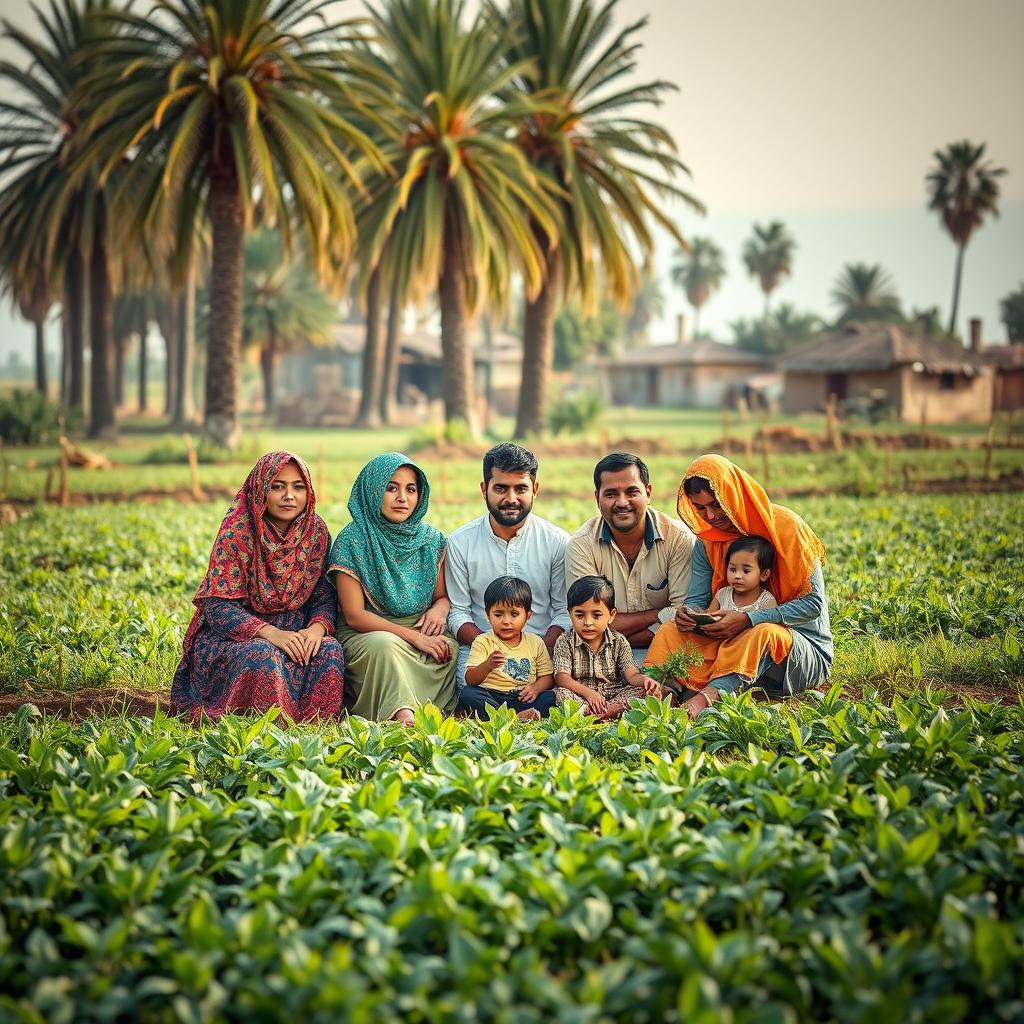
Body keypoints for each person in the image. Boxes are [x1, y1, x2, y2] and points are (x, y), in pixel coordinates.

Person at [644, 454, 832, 717]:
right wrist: (690, 614)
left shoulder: (788, 529)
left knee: (762, 631)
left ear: (733, 494)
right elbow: (697, 598)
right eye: (700, 509)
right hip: (727, 643)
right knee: (671, 629)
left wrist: (748, 619)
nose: (710, 516)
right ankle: (660, 691)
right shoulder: (708, 540)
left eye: (716, 505)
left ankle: (703, 699)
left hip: (797, 656)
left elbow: (813, 605)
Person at [169, 451, 345, 722]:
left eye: (298, 487)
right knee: (262, 656)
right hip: (234, 636)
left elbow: (323, 594)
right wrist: (270, 633)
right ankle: (264, 723)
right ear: (261, 488)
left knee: (329, 650)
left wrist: (315, 629)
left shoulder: (316, 532)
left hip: (296, 631)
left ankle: (312, 723)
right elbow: (217, 607)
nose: (289, 496)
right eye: (278, 486)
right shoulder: (237, 532)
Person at [329, 453, 458, 725]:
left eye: (411, 490)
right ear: (373, 490)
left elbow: (441, 596)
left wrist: (440, 608)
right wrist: (414, 638)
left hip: (417, 625)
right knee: (385, 647)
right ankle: (401, 712)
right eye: (391, 488)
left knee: (448, 648)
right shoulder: (352, 541)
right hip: (369, 630)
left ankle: (427, 709)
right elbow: (354, 616)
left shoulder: (431, 540)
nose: (402, 498)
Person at [445, 443, 571, 693]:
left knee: (554, 691)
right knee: (470, 692)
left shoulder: (558, 542)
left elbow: (563, 610)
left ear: (534, 490)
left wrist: (538, 650)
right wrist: (491, 646)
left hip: (543, 652)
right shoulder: (460, 542)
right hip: (482, 653)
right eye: (501, 488)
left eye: (520, 488)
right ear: (484, 490)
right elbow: (458, 612)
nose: (511, 499)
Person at [565, 452, 694, 662]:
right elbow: (585, 621)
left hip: (668, 654)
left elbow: (684, 617)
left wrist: (609, 629)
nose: (622, 502)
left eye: (632, 492)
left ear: (648, 493)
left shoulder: (678, 539)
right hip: (600, 658)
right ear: (597, 498)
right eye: (611, 494)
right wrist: (659, 614)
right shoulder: (581, 545)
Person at [553, 575, 662, 720]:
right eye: (579, 615)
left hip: (614, 694)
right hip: (581, 695)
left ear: (611, 615)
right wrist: (588, 693)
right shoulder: (565, 641)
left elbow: (632, 675)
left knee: (641, 691)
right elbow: (561, 677)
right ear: (570, 615)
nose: (588, 622)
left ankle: (607, 711)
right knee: (561, 693)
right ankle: (588, 711)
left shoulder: (619, 641)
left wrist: (645, 681)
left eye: (596, 615)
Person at [459, 576, 556, 721]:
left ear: (528, 615)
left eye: (514, 614)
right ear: (488, 615)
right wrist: (487, 665)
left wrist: (536, 688)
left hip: (523, 697)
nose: (506, 621)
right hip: (492, 695)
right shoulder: (483, 641)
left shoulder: (535, 642)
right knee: (469, 694)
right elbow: (470, 679)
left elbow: (547, 677)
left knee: (551, 697)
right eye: (498, 614)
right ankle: (511, 718)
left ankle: (509, 717)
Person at [704, 535, 778, 615]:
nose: (737, 576)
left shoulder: (766, 601)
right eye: (733, 569)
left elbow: (768, 627)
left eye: (746, 571)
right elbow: (708, 618)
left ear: (764, 574)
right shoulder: (722, 594)